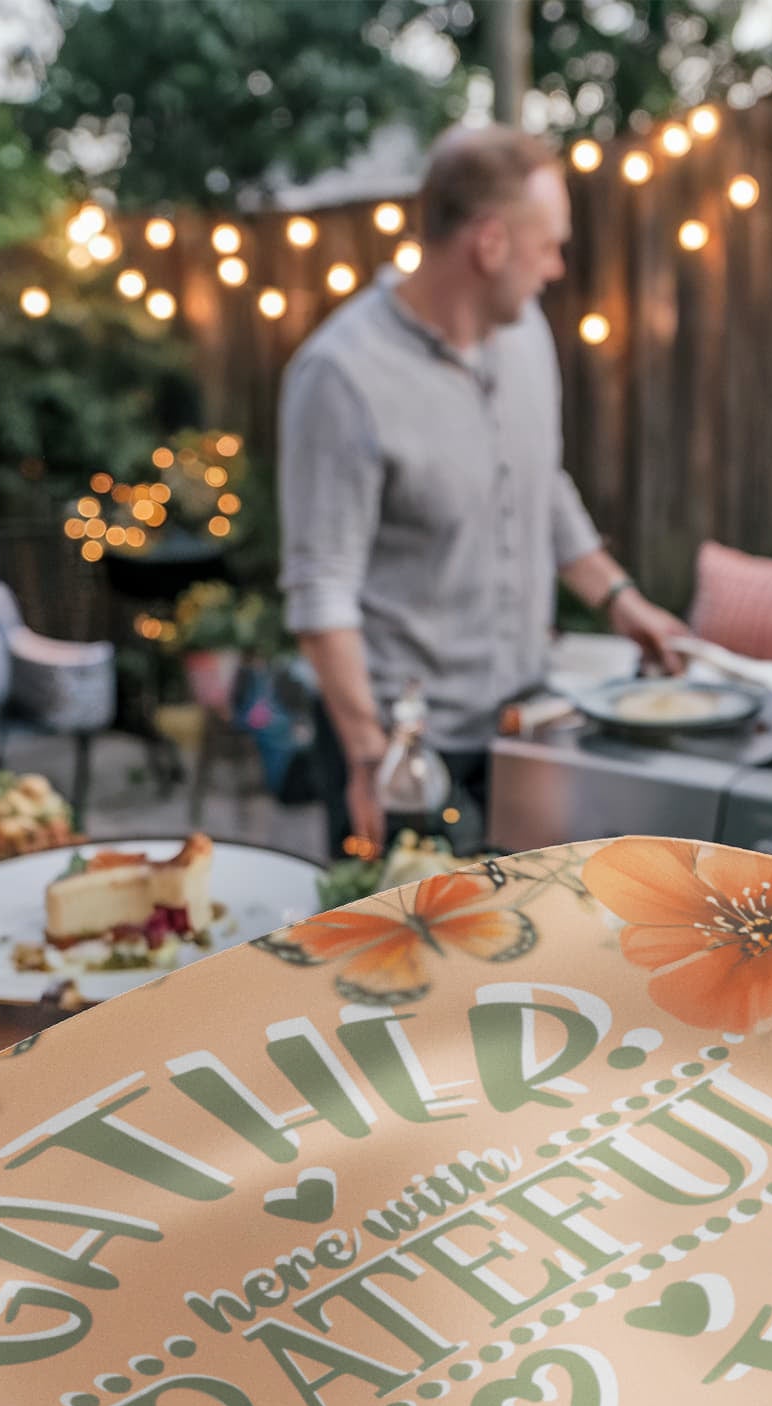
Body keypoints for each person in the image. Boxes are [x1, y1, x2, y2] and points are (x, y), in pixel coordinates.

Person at [278, 123, 689, 856]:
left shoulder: (527, 332)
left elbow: (541, 481)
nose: (558, 267)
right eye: (548, 245)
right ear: (489, 242)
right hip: (403, 754)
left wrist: (621, 600)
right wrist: (371, 760)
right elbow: (321, 591)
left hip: (521, 732)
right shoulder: (342, 376)